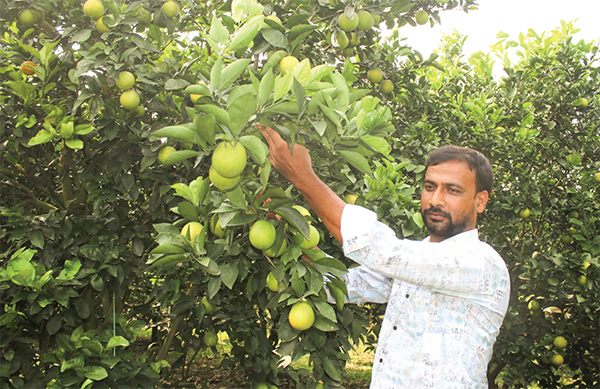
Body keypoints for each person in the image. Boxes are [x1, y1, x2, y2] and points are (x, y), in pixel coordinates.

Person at [258, 125, 511, 389]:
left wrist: (303, 177)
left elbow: (381, 251)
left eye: (452, 190)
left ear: (480, 201)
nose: (436, 200)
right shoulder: (415, 263)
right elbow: (339, 285)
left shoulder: (481, 263)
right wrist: (289, 232)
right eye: (429, 187)